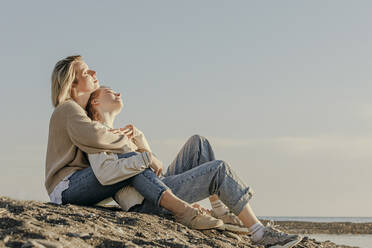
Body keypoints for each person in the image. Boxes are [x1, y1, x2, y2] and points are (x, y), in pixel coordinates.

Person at [84, 85, 304, 248]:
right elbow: (109, 173)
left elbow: (155, 168)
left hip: (158, 185)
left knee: (198, 143)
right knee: (218, 169)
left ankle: (221, 211)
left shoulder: (121, 133)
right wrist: (141, 156)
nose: (118, 93)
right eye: (110, 92)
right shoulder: (95, 132)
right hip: (146, 201)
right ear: (95, 103)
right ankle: (259, 233)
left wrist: (139, 139)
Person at [45, 55, 224, 230]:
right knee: (131, 162)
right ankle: (184, 211)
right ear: (71, 83)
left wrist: (137, 144)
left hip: (80, 183)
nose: (93, 72)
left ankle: (196, 208)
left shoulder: (83, 114)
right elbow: (97, 138)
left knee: (134, 162)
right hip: (67, 187)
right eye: (85, 72)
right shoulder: (68, 108)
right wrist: (128, 142)